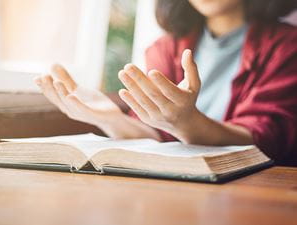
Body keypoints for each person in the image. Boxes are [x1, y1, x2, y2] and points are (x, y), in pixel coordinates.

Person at [35, 0, 297, 165]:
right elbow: (157, 134)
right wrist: (111, 120)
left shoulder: (287, 46)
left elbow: (267, 141)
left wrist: (187, 122)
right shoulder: (165, 48)